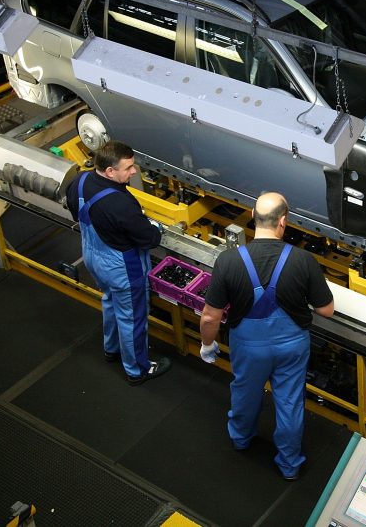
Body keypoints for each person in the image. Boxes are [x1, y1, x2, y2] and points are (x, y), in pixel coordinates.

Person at [199, 192, 334, 481]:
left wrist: (207, 344)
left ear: (251, 216)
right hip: (292, 345)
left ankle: (241, 439)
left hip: (248, 345)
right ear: (283, 221)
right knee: (289, 402)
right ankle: (289, 464)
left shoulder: (228, 261)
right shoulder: (302, 260)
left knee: (245, 394)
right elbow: (326, 310)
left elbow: (210, 316)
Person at [66, 140, 171, 386]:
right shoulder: (120, 204)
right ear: (110, 171)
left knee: (110, 302)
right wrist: (156, 228)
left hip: (93, 256)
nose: (134, 172)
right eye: (129, 168)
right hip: (122, 268)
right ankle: (137, 370)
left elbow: (75, 212)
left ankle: (111, 349)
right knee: (132, 318)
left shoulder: (79, 180)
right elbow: (149, 239)